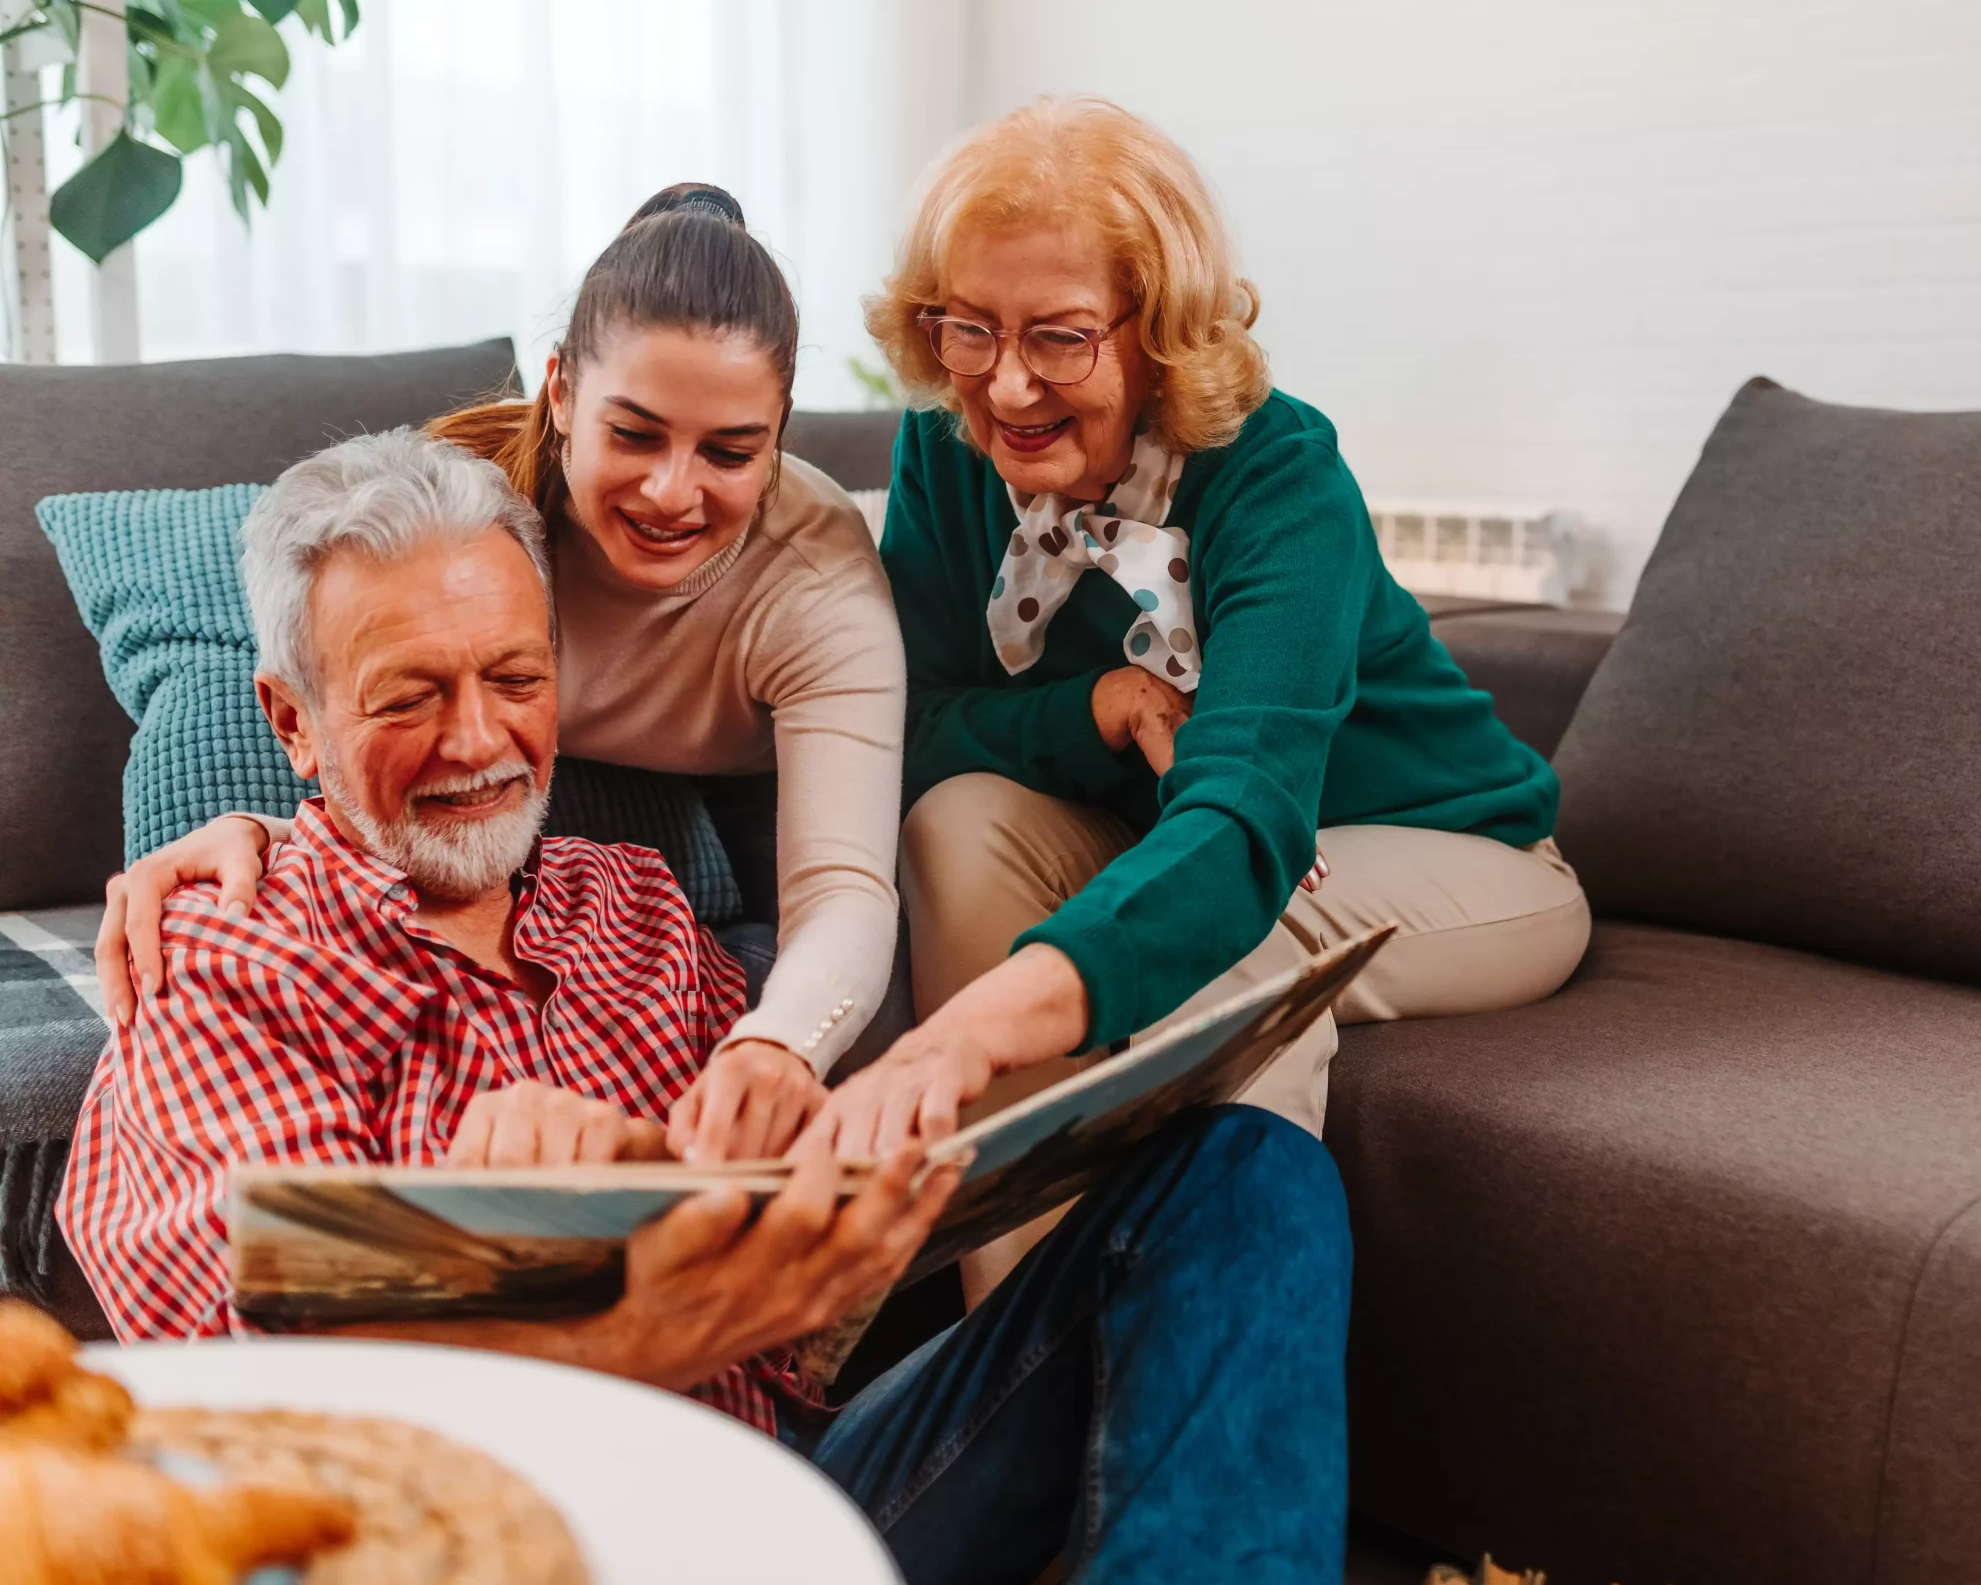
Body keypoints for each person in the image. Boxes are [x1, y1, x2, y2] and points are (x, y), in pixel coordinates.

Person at [60, 431, 1354, 1580]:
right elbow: (303, 1410)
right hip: (515, 1544)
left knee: (1246, 1168)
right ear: (293, 720)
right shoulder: (220, 967)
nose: (478, 738)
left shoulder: (633, 902)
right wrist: (612, 1275)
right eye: (410, 694)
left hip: (795, 1487)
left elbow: (773, 1280)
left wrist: (822, 1189)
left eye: (515, 677)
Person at [811, 96, 1589, 1288]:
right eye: (969, 329)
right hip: (1167, 829)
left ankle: (1199, 1379)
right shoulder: (946, 455)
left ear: (1158, 329)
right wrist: (1095, 710)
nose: (1007, 388)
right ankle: (1002, 1349)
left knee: (1226, 940)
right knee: (952, 820)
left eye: (1060, 337)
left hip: (1453, 851)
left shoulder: (1279, 474)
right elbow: (912, 732)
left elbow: (1236, 826)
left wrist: (977, 1030)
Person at [94, 185, 898, 1164]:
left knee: (834, 1041)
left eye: (731, 452)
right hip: (549, 800)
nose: (672, 492)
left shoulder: (818, 580)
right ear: (559, 392)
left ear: (779, 437)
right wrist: (249, 827)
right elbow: (339, 692)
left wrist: (776, 1046)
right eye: (634, 434)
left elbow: (845, 887)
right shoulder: (470, 495)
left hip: (762, 793)